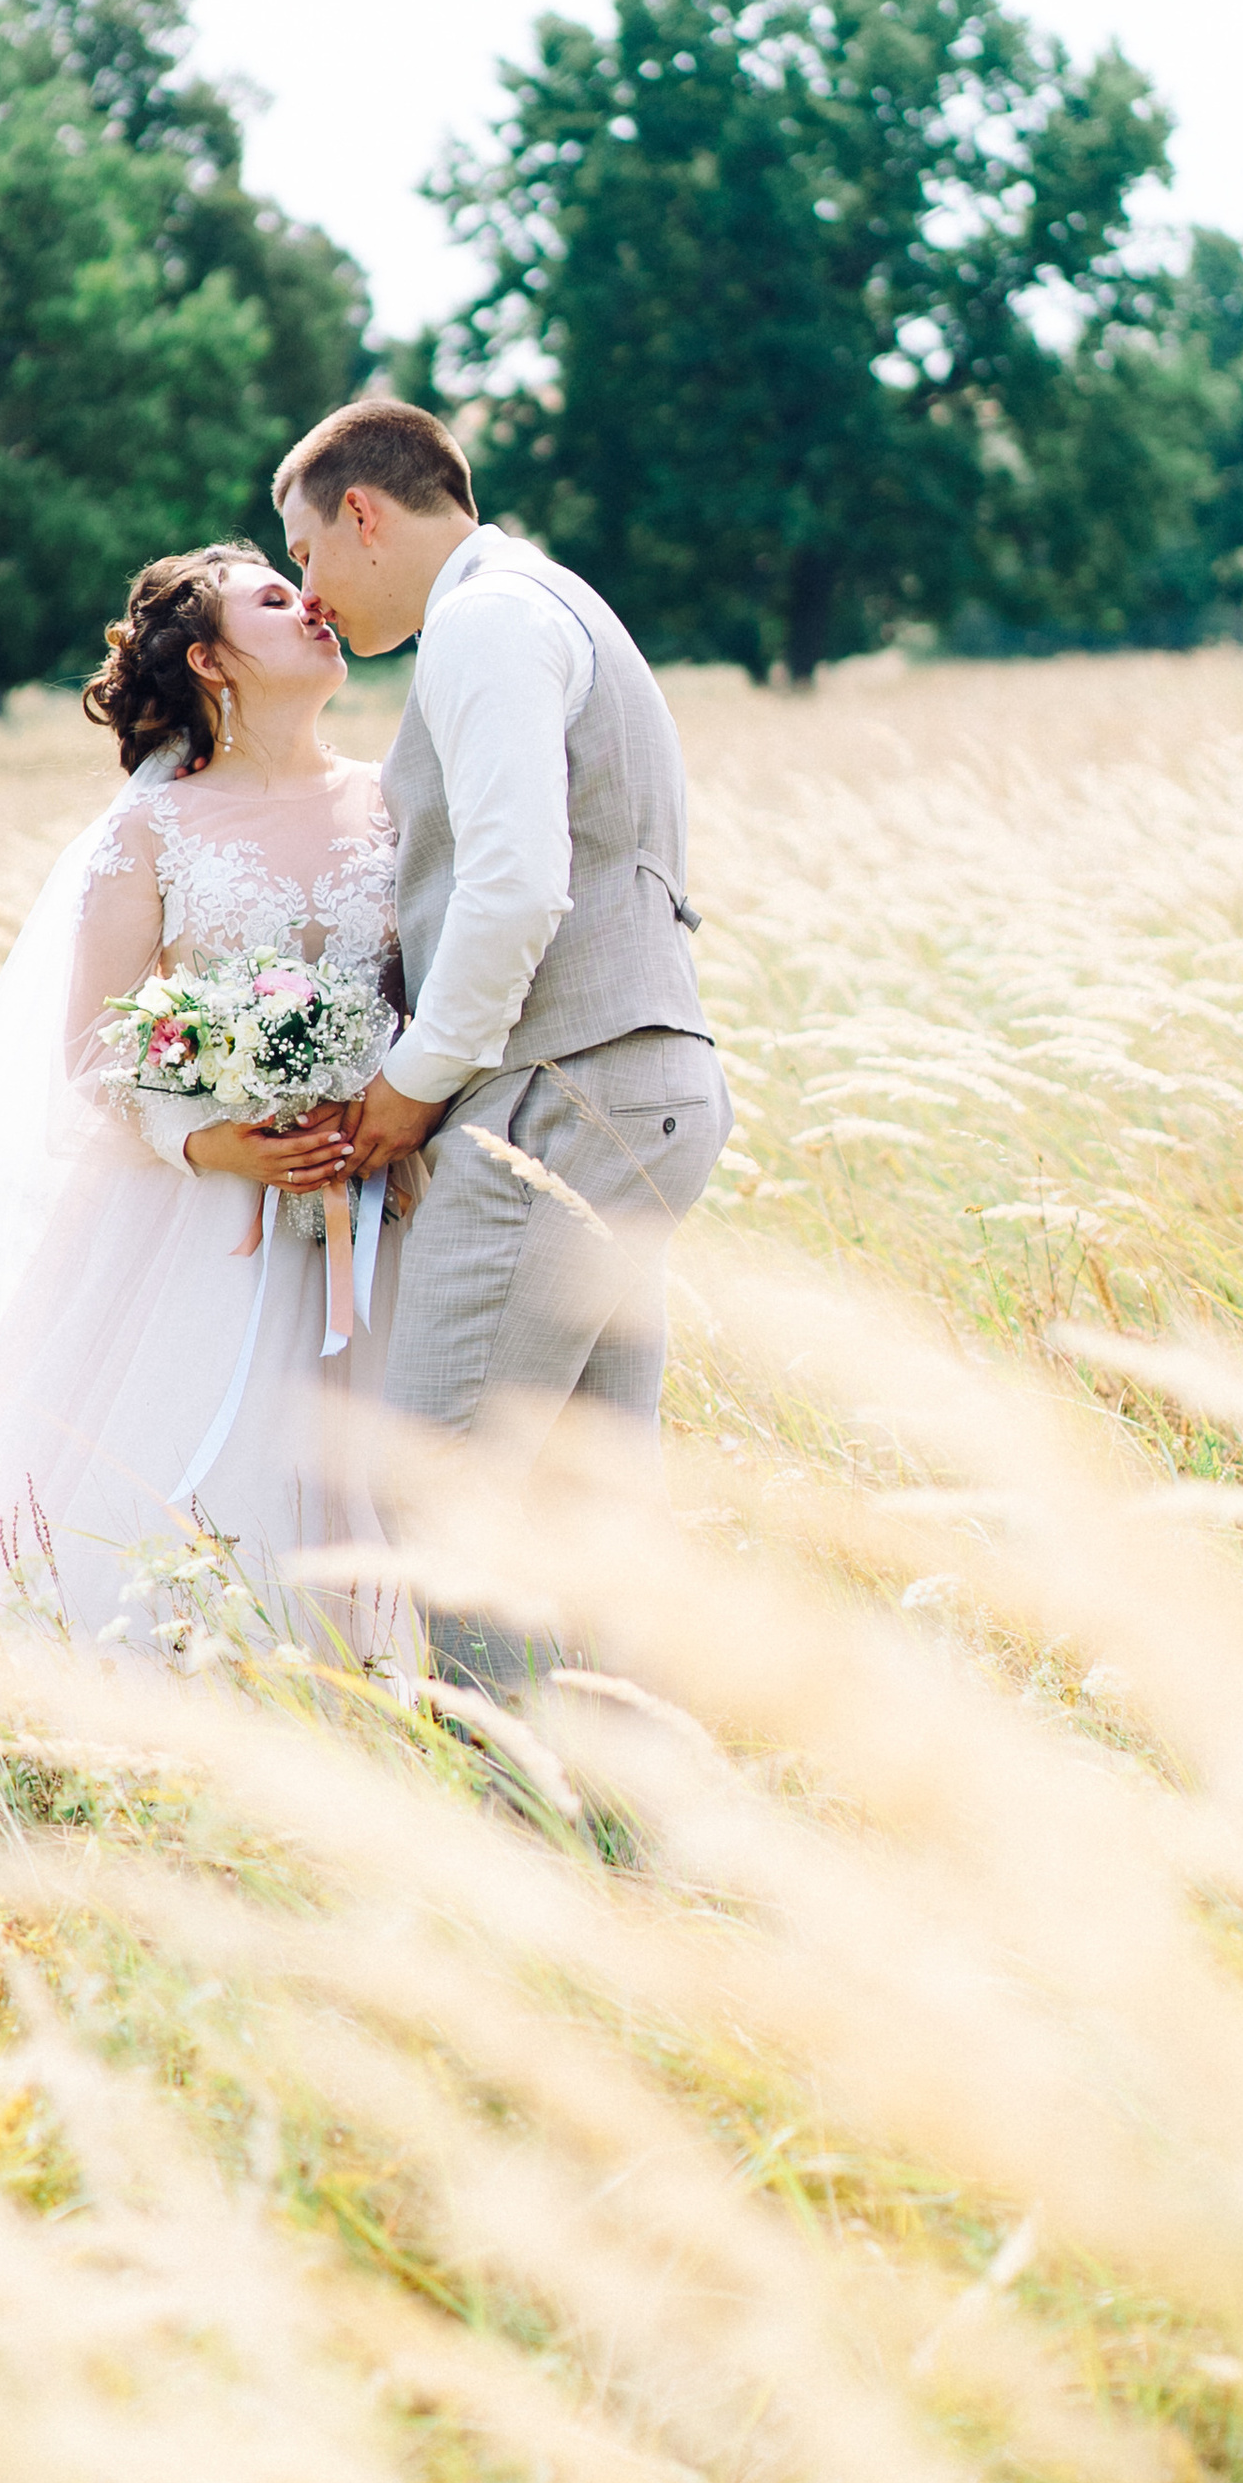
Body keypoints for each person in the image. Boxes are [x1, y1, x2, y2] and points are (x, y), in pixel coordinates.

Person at [0, 543, 407, 1702]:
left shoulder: (395, 798)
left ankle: (372, 1707)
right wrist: (208, 1137)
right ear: (209, 659)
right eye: (273, 598)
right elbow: (91, 1050)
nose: (310, 604)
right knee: (163, 1479)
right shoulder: (153, 832)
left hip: (376, 1201)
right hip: (196, 1222)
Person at [274, 400, 728, 1677]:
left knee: (435, 1490)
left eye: (305, 550)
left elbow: (518, 884)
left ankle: (517, 1832)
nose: (308, 591)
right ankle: (629, 1837)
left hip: (560, 1098)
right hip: (636, 1089)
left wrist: (409, 1084)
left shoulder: (485, 620)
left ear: (362, 512)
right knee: (588, 1508)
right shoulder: (544, 601)